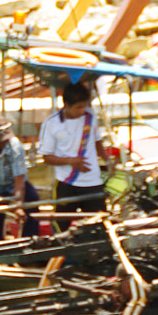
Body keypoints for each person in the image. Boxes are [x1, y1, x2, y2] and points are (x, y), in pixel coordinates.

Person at [38, 81, 108, 218]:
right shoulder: (52, 124)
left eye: (84, 106)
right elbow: (47, 157)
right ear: (67, 105)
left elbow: (97, 140)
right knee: (63, 223)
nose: (82, 111)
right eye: (78, 107)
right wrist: (71, 161)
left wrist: (108, 161)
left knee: (99, 225)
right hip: (67, 182)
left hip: (93, 182)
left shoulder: (90, 117)